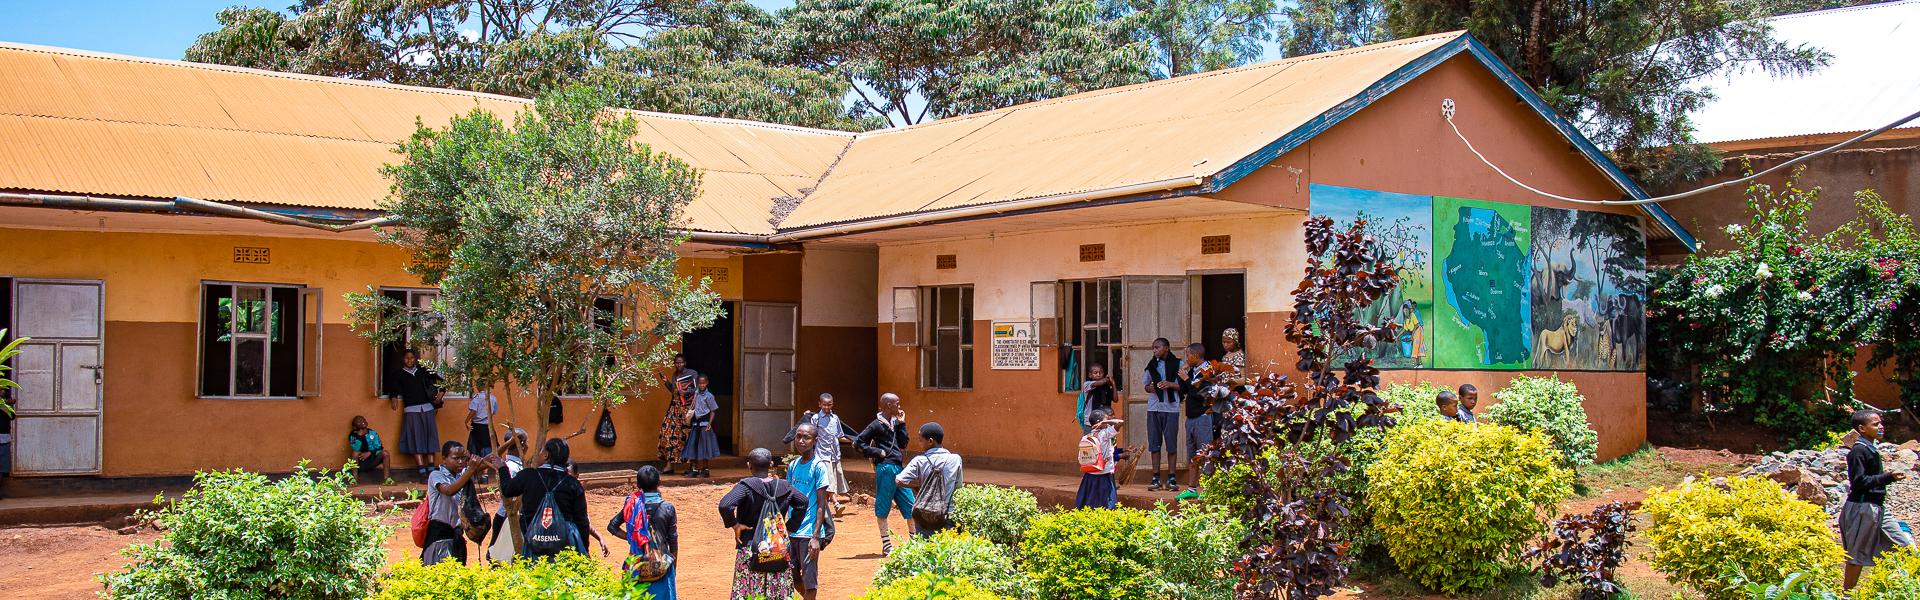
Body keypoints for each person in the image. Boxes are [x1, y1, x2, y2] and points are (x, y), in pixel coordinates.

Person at [498, 438, 609, 560]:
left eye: (541, 451)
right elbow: (581, 521)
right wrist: (583, 548)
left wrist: (502, 468)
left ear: (546, 455)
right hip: (566, 544)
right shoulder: (573, 484)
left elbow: (508, 490)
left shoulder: (528, 476)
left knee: (535, 575)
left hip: (535, 542)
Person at [719, 448, 807, 600]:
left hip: (750, 548)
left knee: (748, 591)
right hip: (777, 548)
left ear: (749, 465)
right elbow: (803, 502)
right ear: (771, 464)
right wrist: (789, 528)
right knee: (777, 591)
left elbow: (725, 505)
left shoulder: (746, 486)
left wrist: (735, 525)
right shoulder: (784, 486)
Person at [1842, 410, 1915, 589]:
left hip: (1877, 507)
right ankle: (1846, 594)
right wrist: (1887, 477)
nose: (1881, 427)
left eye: (1881, 423)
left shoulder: (1870, 449)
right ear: (1862, 428)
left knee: (1905, 546)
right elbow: (1858, 482)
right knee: (1856, 557)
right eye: (1875, 424)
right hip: (1861, 507)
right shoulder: (1858, 451)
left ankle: (1902, 588)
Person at [855, 392, 914, 557]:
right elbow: (858, 443)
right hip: (885, 468)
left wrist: (902, 424)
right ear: (889, 405)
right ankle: (887, 545)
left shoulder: (896, 423)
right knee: (883, 507)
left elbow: (903, 443)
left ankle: (915, 542)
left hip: (898, 468)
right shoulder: (876, 424)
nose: (899, 406)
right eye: (897, 403)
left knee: (911, 505)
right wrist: (877, 452)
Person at [785, 393, 860, 516]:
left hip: (834, 454)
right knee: (827, 479)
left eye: (829, 404)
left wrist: (855, 440)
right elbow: (809, 432)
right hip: (822, 454)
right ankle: (835, 504)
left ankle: (824, 507)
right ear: (819, 404)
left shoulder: (835, 418)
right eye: (824, 404)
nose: (827, 407)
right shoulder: (816, 418)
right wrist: (807, 417)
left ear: (832, 404)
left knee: (835, 478)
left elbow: (840, 436)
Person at [610, 465, 678, 600]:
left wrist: (632, 538)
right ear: (659, 483)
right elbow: (673, 542)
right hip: (662, 564)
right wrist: (673, 568)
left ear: (638, 485)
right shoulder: (668, 508)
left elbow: (612, 526)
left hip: (636, 564)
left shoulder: (631, 505)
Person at [785, 423, 836, 600]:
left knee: (810, 581)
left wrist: (815, 537)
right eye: (798, 436)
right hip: (792, 530)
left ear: (815, 441)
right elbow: (788, 498)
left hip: (809, 533)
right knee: (791, 575)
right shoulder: (792, 466)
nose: (801, 441)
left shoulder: (819, 467)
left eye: (806, 437)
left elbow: (822, 504)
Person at [425, 440, 492, 565]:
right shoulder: (436, 475)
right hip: (439, 534)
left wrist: (509, 442)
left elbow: (489, 460)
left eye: (462, 458)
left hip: (456, 534)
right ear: (444, 459)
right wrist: (470, 470)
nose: (460, 462)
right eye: (456, 458)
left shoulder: (462, 474)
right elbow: (449, 490)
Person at [384, 348, 444, 476]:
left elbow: (441, 381)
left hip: (428, 408)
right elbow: (392, 388)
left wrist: (441, 394)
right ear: (402, 359)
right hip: (411, 410)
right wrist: (393, 397)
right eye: (406, 358)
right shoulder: (398, 374)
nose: (409, 360)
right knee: (416, 439)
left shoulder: (423, 370)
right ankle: (422, 471)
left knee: (429, 438)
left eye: (411, 358)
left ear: (415, 359)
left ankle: (431, 470)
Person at [897, 422, 963, 537]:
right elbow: (958, 486)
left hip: (924, 515)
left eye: (920, 440)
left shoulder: (919, 461)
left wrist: (919, 485)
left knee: (925, 551)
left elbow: (899, 480)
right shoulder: (955, 459)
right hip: (948, 514)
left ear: (930, 441)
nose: (919, 443)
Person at [1141, 338, 1183, 491]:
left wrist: (1170, 384)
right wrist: (1150, 388)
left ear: (1166, 348)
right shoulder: (1151, 365)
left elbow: (1185, 385)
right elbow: (1145, 385)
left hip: (1171, 408)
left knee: (1171, 444)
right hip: (1154, 408)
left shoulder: (1179, 363)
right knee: (1154, 443)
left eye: (1157, 347)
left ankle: (1172, 477)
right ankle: (1156, 477)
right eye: (1153, 348)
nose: (1154, 350)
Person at [486, 427, 529, 561]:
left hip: (508, 515)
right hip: (507, 516)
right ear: (521, 444)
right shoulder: (511, 467)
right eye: (526, 442)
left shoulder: (516, 465)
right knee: (500, 554)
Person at [1179, 343, 1214, 493]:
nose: (1187, 358)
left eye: (1188, 355)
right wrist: (1183, 376)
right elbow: (1185, 391)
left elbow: (1200, 394)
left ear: (1194, 355)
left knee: (1205, 453)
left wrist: (1186, 379)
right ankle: (1192, 488)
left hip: (1203, 418)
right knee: (1192, 454)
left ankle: (1208, 489)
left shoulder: (1208, 371)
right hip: (1191, 418)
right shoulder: (1193, 371)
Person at [658, 355, 697, 477]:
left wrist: (686, 392)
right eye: (676, 363)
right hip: (674, 409)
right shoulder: (675, 375)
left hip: (686, 409)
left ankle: (692, 466)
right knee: (667, 433)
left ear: (685, 362)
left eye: (680, 363)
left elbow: (697, 389)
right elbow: (673, 390)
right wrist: (665, 381)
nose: (678, 365)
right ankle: (669, 465)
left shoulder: (692, 373)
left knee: (686, 436)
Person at [1076, 409, 1123, 509]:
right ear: (1099, 422)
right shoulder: (1104, 434)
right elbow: (1121, 422)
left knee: (1089, 504)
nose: (1107, 422)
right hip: (1104, 474)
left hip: (1089, 474)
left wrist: (1104, 421)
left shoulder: (1086, 437)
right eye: (1105, 420)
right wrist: (1105, 422)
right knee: (1107, 504)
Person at [681, 374, 721, 478]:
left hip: (704, 424)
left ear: (707, 383)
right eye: (700, 383)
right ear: (697, 383)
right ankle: (694, 469)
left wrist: (709, 423)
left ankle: (705, 469)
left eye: (703, 383)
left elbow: (713, 411)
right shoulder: (696, 393)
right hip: (695, 423)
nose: (702, 385)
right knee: (693, 446)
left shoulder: (709, 396)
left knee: (705, 447)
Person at [348, 415, 391, 483]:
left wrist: (370, 452)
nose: (362, 422)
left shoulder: (372, 433)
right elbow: (355, 448)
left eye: (363, 420)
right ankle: (354, 480)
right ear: (355, 427)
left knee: (385, 453)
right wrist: (359, 436)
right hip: (360, 463)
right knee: (355, 453)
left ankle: (387, 479)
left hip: (372, 461)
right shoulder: (353, 435)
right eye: (358, 422)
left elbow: (379, 448)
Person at [466, 383, 499, 468]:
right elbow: (494, 411)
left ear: (478, 387)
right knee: (488, 446)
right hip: (488, 426)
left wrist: (466, 421)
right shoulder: (493, 398)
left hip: (477, 426)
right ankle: (486, 470)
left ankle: (476, 468)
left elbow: (473, 411)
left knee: (476, 448)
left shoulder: (477, 398)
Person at [1080, 363, 1116, 433]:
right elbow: (1100, 382)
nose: (1098, 374)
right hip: (1091, 422)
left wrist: (1113, 384)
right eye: (1095, 373)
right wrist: (1108, 379)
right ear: (1090, 375)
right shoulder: (1087, 384)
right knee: (1091, 442)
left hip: (1105, 422)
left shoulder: (1106, 386)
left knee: (1104, 442)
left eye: (1101, 372)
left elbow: (1115, 399)